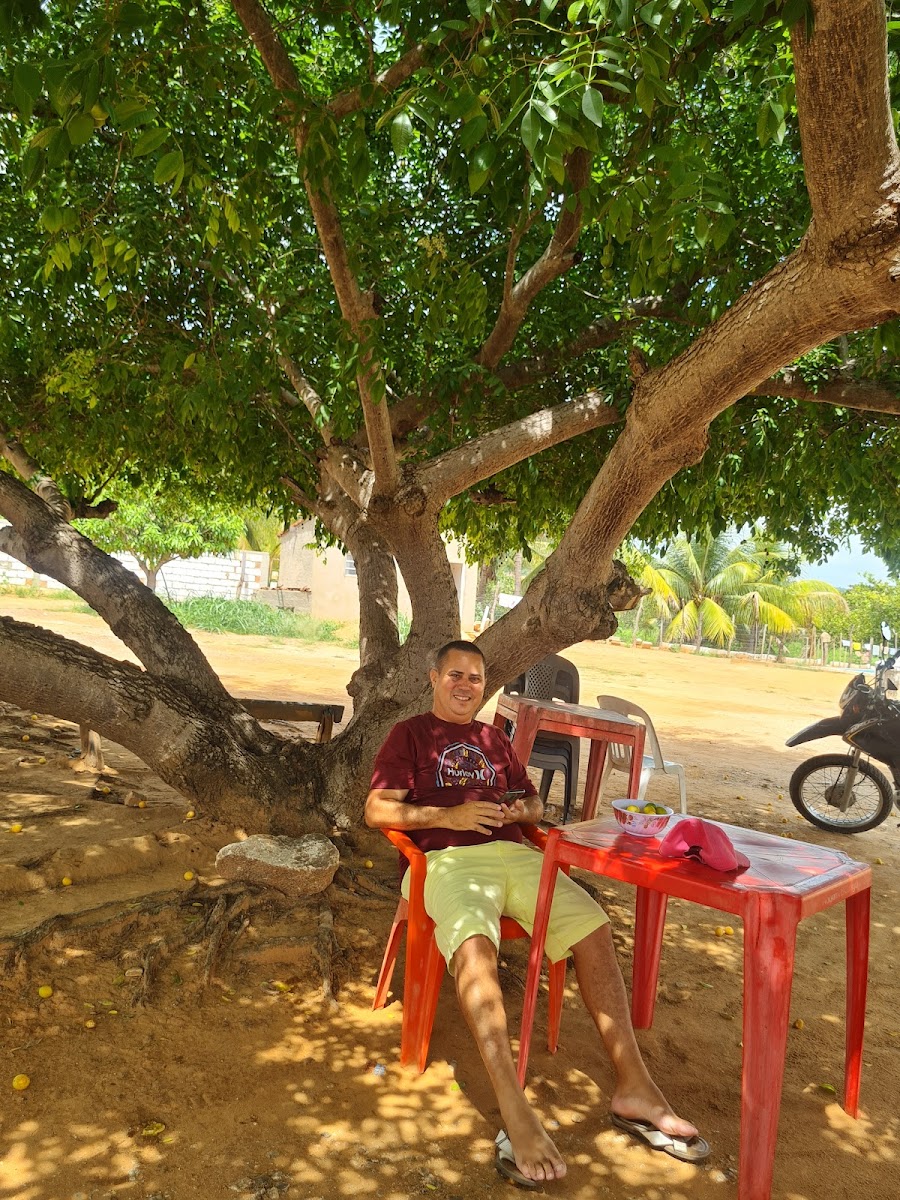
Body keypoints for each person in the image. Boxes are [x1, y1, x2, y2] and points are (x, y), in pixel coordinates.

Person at [365, 640, 709, 1188]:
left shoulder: (493, 740)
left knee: (594, 927)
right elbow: (377, 809)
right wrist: (447, 815)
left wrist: (519, 809)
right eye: (455, 675)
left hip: (517, 854)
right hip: (447, 860)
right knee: (475, 946)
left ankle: (634, 1086)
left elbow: (535, 803)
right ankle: (512, 1105)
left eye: (475, 679)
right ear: (433, 678)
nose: (465, 686)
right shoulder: (409, 734)